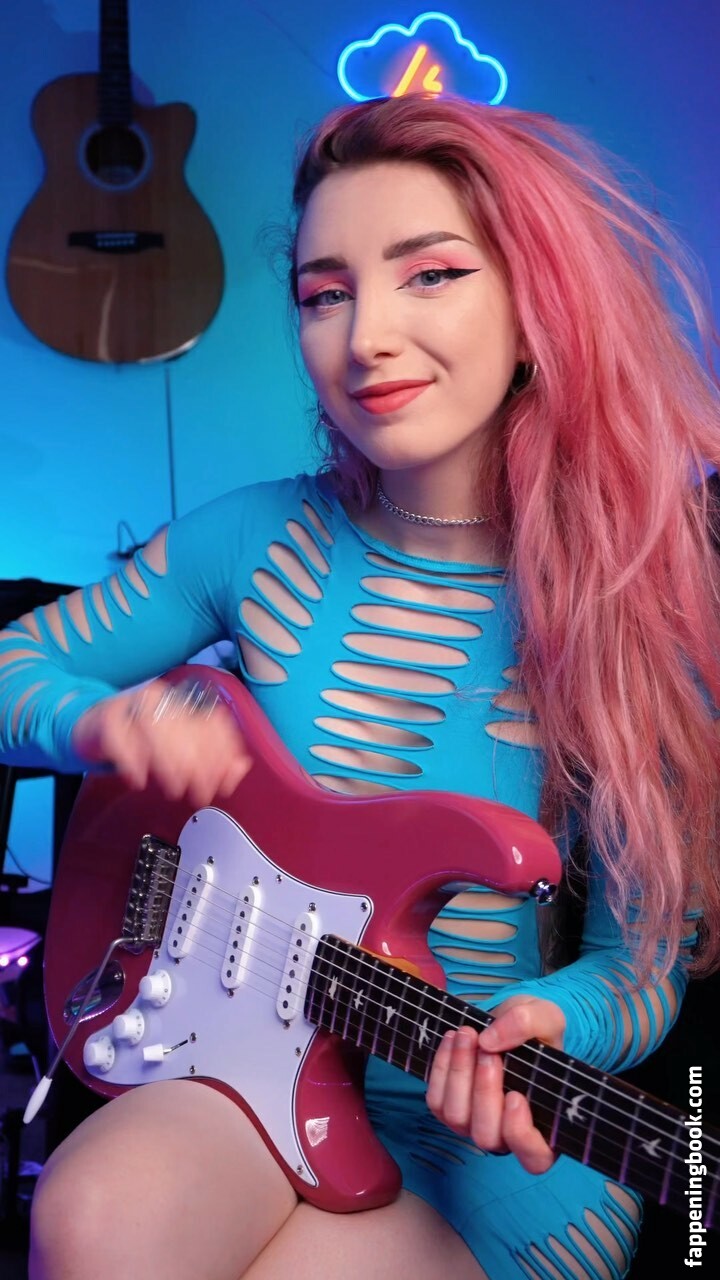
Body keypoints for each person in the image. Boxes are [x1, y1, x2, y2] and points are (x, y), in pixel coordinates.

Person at [1, 92, 719, 1280]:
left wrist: (558, 1021)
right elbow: (15, 661)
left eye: (430, 274)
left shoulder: (634, 604)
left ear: (537, 303)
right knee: (93, 1224)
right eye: (324, 294)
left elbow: (641, 963)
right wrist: (99, 721)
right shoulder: (251, 540)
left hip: (489, 1147)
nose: (366, 336)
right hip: (239, 1071)